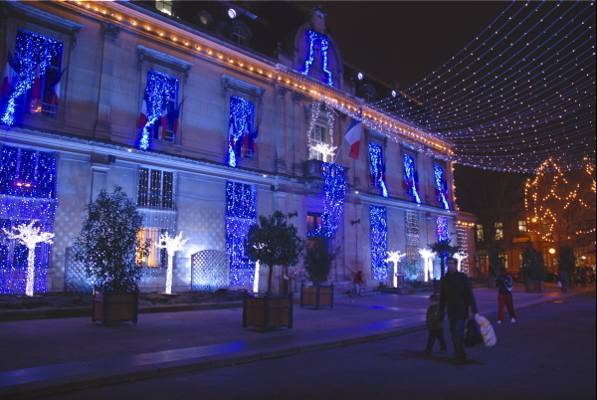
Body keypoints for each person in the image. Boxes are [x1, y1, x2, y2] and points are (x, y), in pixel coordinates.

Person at [438, 257, 478, 363]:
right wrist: (440, 311)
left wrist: (474, 310)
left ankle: (459, 355)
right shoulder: (445, 279)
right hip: (451, 311)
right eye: (448, 263)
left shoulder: (462, 277)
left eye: (452, 263)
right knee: (453, 333)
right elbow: (442, 297)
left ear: (456, 265)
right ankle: (460, 353)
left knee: (458, 333)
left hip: (461, 310)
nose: (450, 266)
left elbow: (469, 294)